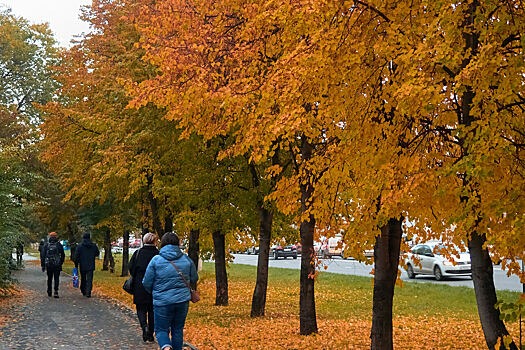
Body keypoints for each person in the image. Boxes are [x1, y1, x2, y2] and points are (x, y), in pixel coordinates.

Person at [142, 232, 198, 350]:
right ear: (178, 244)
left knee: (161, 330)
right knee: (177, 329)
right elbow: (194, 278)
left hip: (162, 302)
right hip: (182, 301)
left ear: (162, 243)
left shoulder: (156, 260)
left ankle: (166, 348)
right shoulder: (186, 260)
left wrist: (155, 292)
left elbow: (146, 282)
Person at [129, 233, 159, 342]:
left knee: (141, 309)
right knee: (152, 310)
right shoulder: (158, 254)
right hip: (154, 286)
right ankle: (150, 333)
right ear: (155, 242)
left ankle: (144, 327)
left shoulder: (138, 253)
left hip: (139, 285)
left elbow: (131, 267)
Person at [73, 232, 100, 298]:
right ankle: (88, 291)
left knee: (83, 278)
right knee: (90, 279)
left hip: (82, 264)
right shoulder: (93, 245)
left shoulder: (80, 246)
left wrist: (76, 263)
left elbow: (76, 256)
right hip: (91, 264)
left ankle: (83, 290)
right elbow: (97, 253)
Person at [41, 232, 65, 298]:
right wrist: (61, 262)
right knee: (56, 278)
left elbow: (43, 255)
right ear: (56, 236)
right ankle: (56, 291)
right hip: (57, 264)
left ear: (50, 236)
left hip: (49, 264)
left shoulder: (46, 245)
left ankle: (49, 291)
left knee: (49, 278)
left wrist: (43, 265)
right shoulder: (58, 245)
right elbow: (63, 254)